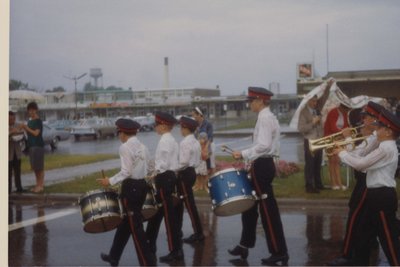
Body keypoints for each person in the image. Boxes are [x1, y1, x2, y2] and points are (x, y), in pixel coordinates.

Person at [228, 87, 289, 265]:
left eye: (252, 101)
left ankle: (279, 251)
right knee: (249, 206)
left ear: (260, 101)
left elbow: (263, 145)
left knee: (267, 211)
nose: (250, 104)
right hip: (261, 164)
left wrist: (243, 154)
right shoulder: (267, 117)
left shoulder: (264, 117)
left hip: (262, 165)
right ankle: (244, 244)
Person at [333, 108, 400, 266]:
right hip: (374, 195)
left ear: (389, 132)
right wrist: (346, 149)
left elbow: (360, 164)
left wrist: (342, 153)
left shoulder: (386, 148)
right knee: (363, 235)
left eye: (381, 127)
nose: (377, 129)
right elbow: (361, 161)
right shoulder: (383, 145)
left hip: (382, 196)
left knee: (388, 240)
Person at [327, 101, 383, 266]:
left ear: (374, 119)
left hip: (367, 180)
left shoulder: (376, 137)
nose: (363, 120)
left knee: (355, 215)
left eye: (366, 117)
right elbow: (357, 152)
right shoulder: (373, 136)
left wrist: (347, 141)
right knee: (366, 217)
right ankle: (368, 246)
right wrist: (349, 139)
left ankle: (347, 254)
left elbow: (359, 160)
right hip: (364, 179)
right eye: (364, 117)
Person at [97, 118, 156, 267]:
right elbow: (151, 167)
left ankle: (148, 263)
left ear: (123, 133)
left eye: (119, 132)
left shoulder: (124, 147)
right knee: (126, 223)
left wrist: (109, 181)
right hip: (142, 186)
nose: (118, 136)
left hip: (131, 188)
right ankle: (114, 256)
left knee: (135, 228)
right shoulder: (143, 146)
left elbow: (126, 171)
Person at [145, 111, 183, 263]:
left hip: (164, 178)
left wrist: (153, 173)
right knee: (157, 214)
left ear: (164, 125)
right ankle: (150, 243)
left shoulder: (165, 141)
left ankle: (175, 251)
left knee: (169, 218)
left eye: (157, 124)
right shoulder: (171, 139)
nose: (155, 127)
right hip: (169, 178)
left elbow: (163, 163)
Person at [298, 80, 331, 193]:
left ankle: (318, 183)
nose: (315, 103)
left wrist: (328, 87)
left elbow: (324, 98)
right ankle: (309, 186)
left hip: (319, 139)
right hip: (310, 141)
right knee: (310, 164)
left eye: (316, 101)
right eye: (312, 101)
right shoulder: (303, 112)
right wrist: (312, 122)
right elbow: (301, 129)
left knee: (318, 162)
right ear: (308, 101)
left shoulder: (317, 109)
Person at [176, 116, 205, 244]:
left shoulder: (185, 142)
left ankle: (198, 233)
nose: (180, 130)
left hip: (185, 173)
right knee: (184, 203)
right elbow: (198, 160)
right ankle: (181, 230)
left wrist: (171, 168)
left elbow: (183, 162)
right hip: (192, 172)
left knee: (188, 205)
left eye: (181, 127)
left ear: (186, 128)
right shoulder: (195, 141)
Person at [324, 102, 352, 190]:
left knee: (337, 161)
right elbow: (332, 127)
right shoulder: (333, 112)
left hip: (339, 139)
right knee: (332, 161)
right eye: (346, 110)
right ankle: (334, 184)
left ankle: (339, 184)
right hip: (330, 139)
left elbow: (345, 126)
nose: (347, 112)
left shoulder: (344, 114)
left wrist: (348, 129)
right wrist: (343, 132)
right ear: (342, 107)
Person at [19, 102, 45, 193]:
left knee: (39, 167)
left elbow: (36, 133)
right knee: (34, 167)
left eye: (33, 110)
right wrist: (23, 128)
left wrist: (26, 127)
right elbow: (28, 133)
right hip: (31, 146)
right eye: (30, 110)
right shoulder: (30, 121)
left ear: (36, 110)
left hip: (38, 145)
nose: (31, 112)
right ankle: (37, 185)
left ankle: (40, 185)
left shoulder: (38, 121)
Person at [192, 107, 215, 175]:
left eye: (194, 115)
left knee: (211, 164)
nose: (193, 117)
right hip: (199, 147)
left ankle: (212, 180)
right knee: (200, 165)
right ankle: (201, 183)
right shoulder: (195, 125)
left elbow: (210, 137)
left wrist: (206, 148)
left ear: (199, 114)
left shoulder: (208, 124)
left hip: (208, 145)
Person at [9, 111, 26, 194]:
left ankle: (19, 187)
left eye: (13, 118)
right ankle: (8, 189)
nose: (12, 120)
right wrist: (11, 133)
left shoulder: (17, 125)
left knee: (17, 171)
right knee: (8, 172)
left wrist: (19, 131)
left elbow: (22, 135)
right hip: (8, 154)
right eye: (10, 119)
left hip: (17, 152)